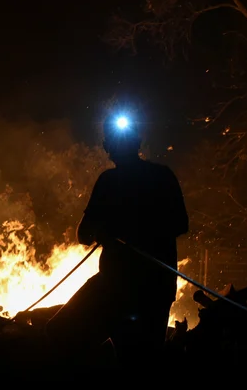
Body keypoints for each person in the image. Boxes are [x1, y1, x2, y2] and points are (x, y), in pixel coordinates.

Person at [45, 112, 189, 370]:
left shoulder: (109, 182)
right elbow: (181, 224)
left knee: (60, 334)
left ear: (108, 149)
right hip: (153, 289)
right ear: (137, 143)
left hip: (117, 289)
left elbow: (83, 235)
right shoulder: (162, 176)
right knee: (142, 364)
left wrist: (117, 231)